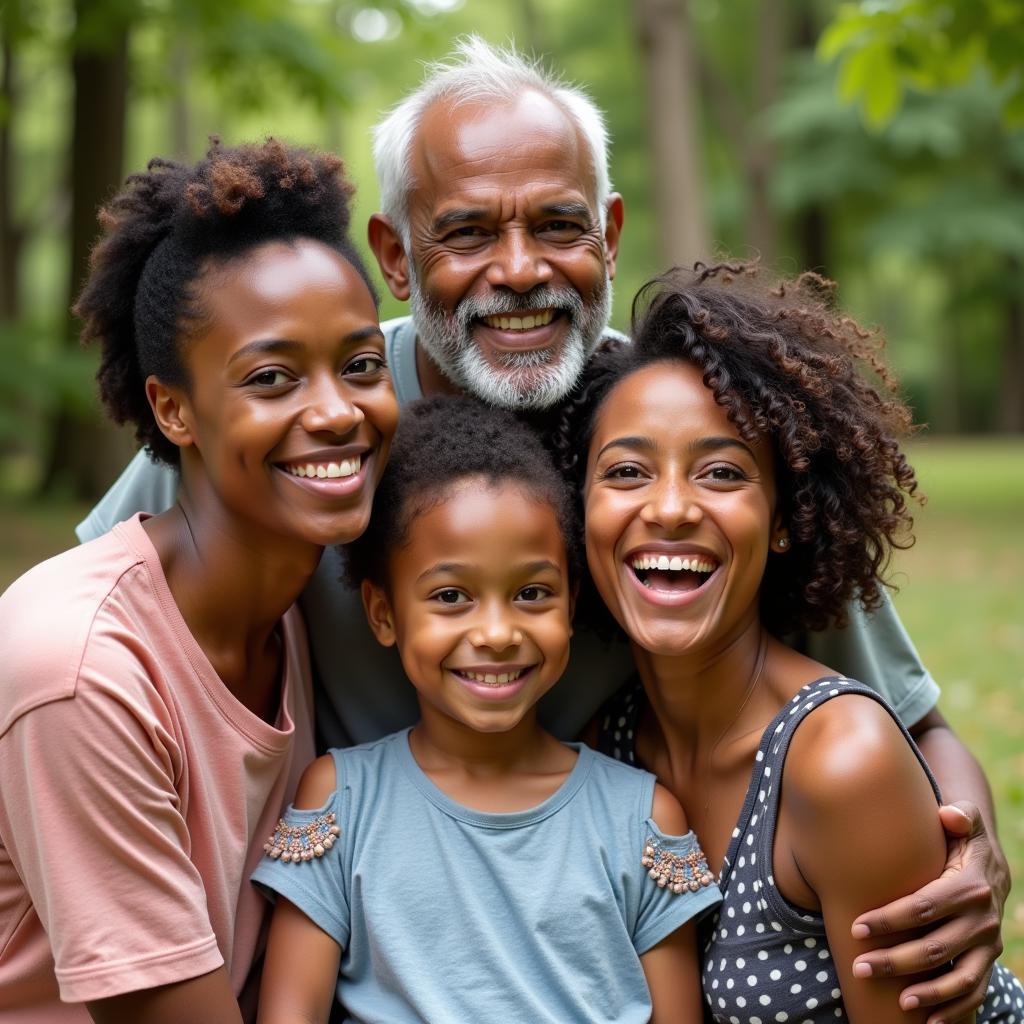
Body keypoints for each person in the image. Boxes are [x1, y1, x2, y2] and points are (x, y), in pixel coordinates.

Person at [73, 39, 1008, 1018]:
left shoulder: (670, 423)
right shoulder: (313, 411)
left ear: (607, 233)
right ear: (393, 254)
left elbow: (911, 726)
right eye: (466, 233)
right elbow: (86, 631)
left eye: (557, 225)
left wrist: (966, 840)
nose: (518, 272)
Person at [0, 140, 399, 1023]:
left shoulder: (291, 605)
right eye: (271, 378)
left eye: (362, 365)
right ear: (174, 409)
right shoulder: (78, 671)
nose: (337, 411)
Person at [562, 261, 1023, 1023]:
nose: (670, 507)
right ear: (581, 512)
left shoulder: (841, 762)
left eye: (720, 472)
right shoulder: (608, 750)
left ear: (783, 520)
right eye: (627, 471)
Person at [253, 397, 719, 1024]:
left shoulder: (641, 821)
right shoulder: (340, 803)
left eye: (532, 593)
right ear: (384, 614)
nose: (498, 632)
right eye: (451, 596)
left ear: (570, 603)